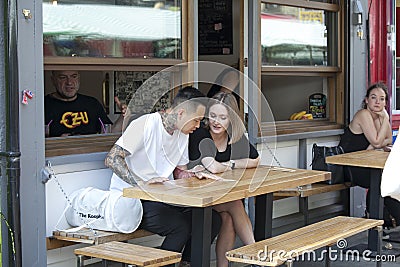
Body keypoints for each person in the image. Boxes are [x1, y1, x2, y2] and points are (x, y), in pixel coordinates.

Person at [105, 86, 222, 266]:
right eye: (196, 120)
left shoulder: (183, 132)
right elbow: (112, 159)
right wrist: (141, 183)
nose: (198, 126)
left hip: (163, 197)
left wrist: (193, 174)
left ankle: (187, 263)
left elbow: (178, 172)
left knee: (212, 219)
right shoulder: (145, 124)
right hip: (132, 199)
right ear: (181, 113)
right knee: (180, 227)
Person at [188, 92, 259, 267]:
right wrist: (232, 165)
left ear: (231, 119)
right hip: (195, 195)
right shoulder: (200, 135)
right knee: (235, 203)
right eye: (212, 116)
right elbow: (212, 167)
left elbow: (256, 159)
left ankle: (223, 265)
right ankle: (257, 254)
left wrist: (230, 163)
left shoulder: (234, 137)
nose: (216, 122)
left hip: (220, 194)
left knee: (228, 218)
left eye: (222, 117)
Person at [339, 82, 400, 227]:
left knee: (388, 180)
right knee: (382, 181)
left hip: (365, 164)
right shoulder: (363, 114)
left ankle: (382, 222)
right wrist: (385, 119)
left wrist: (374, 145)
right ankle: (380, 222)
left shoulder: (378, 117)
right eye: (373, 97)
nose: (378, 102)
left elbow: (387, 140)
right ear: (366, 100)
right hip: (349, 166)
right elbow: (379, 142)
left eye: (382, 98)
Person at [45, 70, 126, 137]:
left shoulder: (92, 104)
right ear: (53, 80)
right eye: (63, 77)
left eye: (74, 76)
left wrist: (123, 117)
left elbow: (108, 132)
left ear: (79, 78)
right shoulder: (43, 105)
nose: (69, 82)